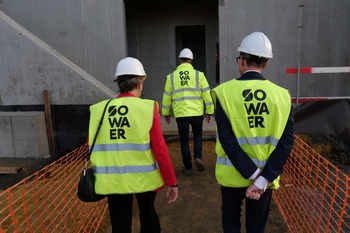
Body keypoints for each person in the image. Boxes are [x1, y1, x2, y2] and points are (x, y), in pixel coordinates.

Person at [211, 32, 294, 232]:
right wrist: (263, 178)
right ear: (265, 64)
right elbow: (287, 141)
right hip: (266, 177)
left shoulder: (223, 92)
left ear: (242, 60)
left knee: (231, 220)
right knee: (256, 226)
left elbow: (227, 139)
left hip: (233, 175)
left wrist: (252, 174)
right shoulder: (283, 96)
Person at [89, 57, 178, 233]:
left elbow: (91, 145)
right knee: (148, 216)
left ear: (119, 83)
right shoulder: (148, 108)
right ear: (140, 84)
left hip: (113, 180)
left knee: (120, 223)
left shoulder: (99, 109)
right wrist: (171, 182)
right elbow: (160, 149)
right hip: (144, 178)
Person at [161, 48, 214, 176]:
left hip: (181, 114)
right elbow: (207, 94)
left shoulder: (171, 77)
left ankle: (188, 167)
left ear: (179, 60)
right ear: (191, 60)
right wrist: (210, 112)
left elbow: (167, 97)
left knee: (184, 140)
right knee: (197, 135)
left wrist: (166, 113)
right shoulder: (199, 75)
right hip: (196, 113)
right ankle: (197, 157)